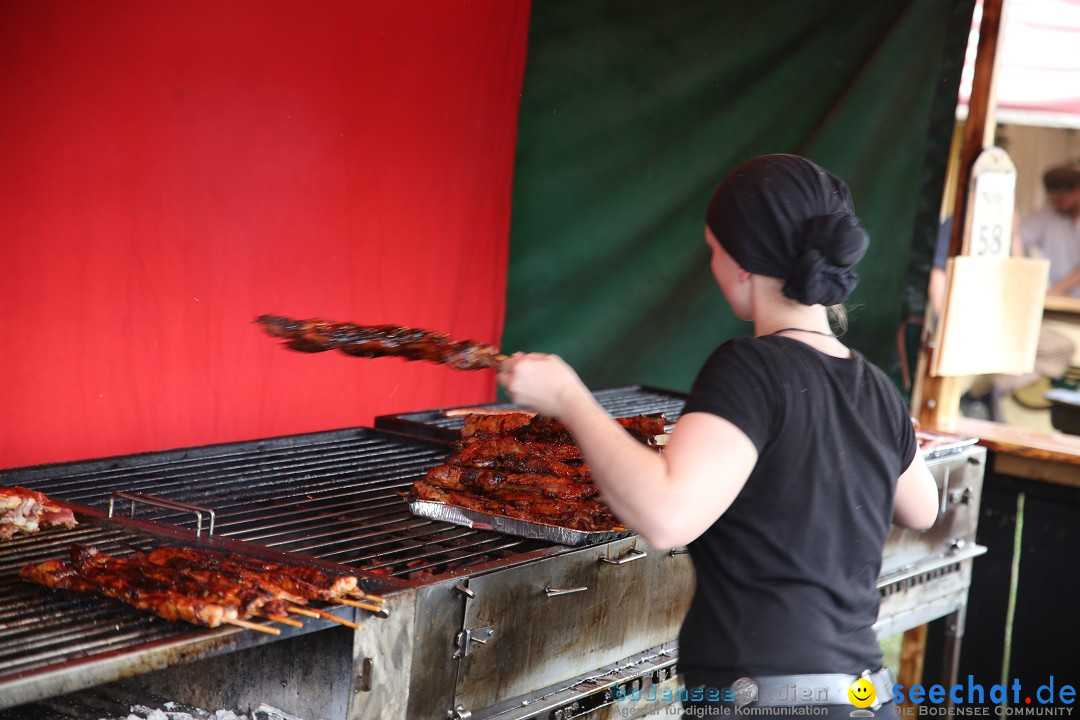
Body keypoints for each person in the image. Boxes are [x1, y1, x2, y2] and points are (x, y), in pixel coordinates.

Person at [497, 154, 939, 718]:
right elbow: (922, 508)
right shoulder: (875, 386)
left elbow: (666, 516)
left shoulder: (751, 367)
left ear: (743, 264)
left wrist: (569, 400)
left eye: (714, 248)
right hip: (863, 694)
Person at [1020, 164, 1080, 297]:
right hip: (1057, 296)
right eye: (1052, 199)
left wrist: (1056, 290)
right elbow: (1017, 238)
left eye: (1061, 198)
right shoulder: (1045, 215)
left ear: (1077, 189)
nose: (1056, 204)